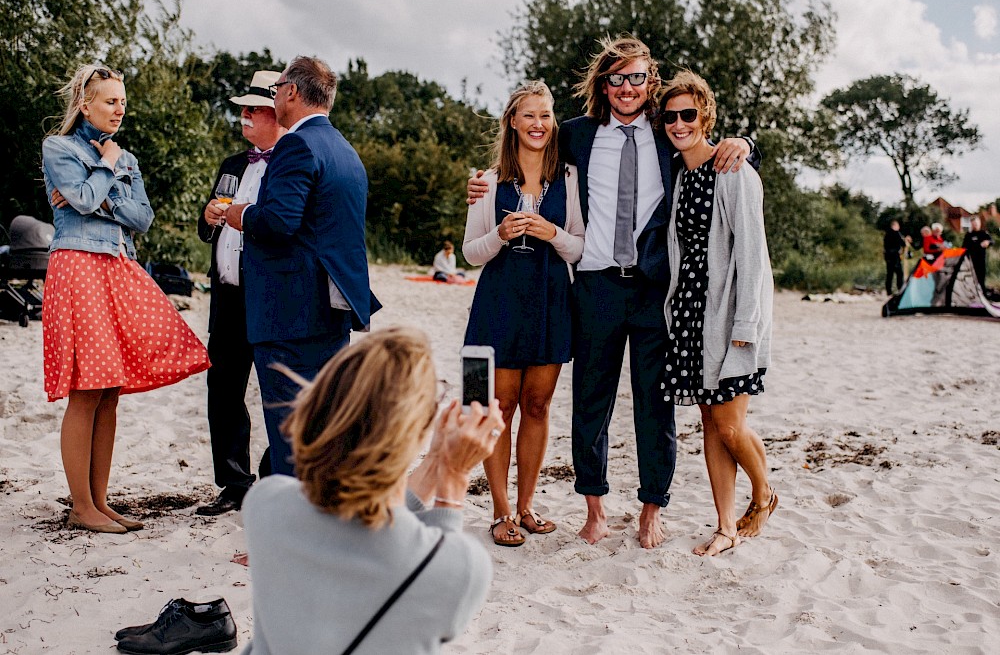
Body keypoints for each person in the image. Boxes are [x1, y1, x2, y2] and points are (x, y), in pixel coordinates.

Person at [468, 36, 758, 548]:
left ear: (651, 84)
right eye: (617, 78)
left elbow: (705, 139)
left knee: (655, 404)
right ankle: (594, 507)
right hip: (595, 287)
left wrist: (744, 144)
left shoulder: (667, 132)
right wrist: (481, 182)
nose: (628, 88)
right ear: (604, 84)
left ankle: (652, 509)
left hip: (655, 289)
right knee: (590, 400)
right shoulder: (576, 136)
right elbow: (522, 150)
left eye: (638, 78)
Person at [241, 327, 503, 654]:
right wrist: (454, 475)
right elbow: (430, 566)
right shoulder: (463, 567)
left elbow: (367, 520)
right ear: (414, 431)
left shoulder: (265, 504)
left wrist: (436, 460)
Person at [41, 64, 210, 534]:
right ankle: (81, 506)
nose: (119, 109)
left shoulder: (126, 156)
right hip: (78, 265)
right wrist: (107, 169)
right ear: (85, 104)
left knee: (110, 390)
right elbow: (81, 200)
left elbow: (141, 218)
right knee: (87, 387)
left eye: (122, 102)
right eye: (111, 100)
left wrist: (103, 188)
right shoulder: (59, 147)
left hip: (118, 266)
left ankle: (99, 500)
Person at [225, 56, 381, 477]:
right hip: (332, 308)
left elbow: (278, 221)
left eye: (276, 89)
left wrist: (240, 215)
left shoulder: (296, 144)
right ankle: (317, 527)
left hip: (290, 311)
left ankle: (287, 538)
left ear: (291, 91)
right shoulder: (345, 149)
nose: (274, 96)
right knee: (322, 425)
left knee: (289, 428)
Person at [462, 81, 585, 546]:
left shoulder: (569, 179)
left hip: (551, 300)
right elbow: (471, 253)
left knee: (538, 405)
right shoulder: (488, 181)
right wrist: (500, 235)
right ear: (512, 121)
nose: (538, 124)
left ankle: (528, 505)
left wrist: (552, 231)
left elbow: (580, 248)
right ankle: (501, 511)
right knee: (499, 407)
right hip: (499, 303)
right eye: (529, 115)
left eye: (546, 115)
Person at [658, 70, 775, 557]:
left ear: (705, 115)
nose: (679, 123)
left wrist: (746, 328)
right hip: (690, 315)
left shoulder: (734, 171)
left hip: (729, 317)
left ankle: (765, 495)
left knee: (730, 424)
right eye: (670, 116)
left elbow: (752, 254)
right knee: (710, 422)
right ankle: (726, 525)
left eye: (689, 114)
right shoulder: (681, 173)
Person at [195, 70, 287, 517]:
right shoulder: (232, 164)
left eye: (254, 108)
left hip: (269, 297)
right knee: (224, 390)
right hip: (227, 296)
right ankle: (233, 483)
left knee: (276, 393)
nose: (244, 115)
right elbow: (204, 229)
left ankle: (272, 479)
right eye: (243, 108)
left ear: (277, 113)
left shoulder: (291, 164)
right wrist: (211, 216)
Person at [962, 215, 993, 289]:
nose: (974, 225)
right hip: (971, 261)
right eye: (973, 224)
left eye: (976, 223)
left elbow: (992, 241)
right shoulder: (968, 235)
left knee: (981, 277)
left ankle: (982, 293)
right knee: (971, 278)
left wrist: (988, 242)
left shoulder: (983, 233)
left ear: (979, 223)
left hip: (981, 260)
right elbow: (963, 247)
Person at [883, 220, 911, 296]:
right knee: (899, 274)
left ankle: (889, 291)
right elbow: (903, 243)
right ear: (895, 226)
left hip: (888, 256)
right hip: (895, 257)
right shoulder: (896, 233)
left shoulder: (887, 233)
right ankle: (900, 289)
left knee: (890, 274)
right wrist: (906, 240)